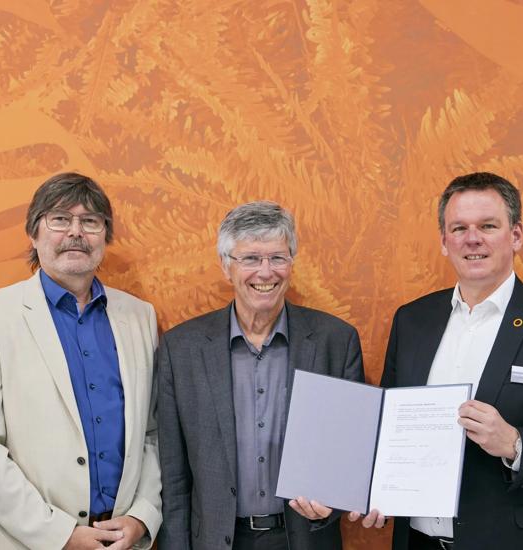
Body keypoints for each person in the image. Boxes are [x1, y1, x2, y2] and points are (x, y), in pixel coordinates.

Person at [371, 172, 523, 549]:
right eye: (459, 228)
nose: (472, 239)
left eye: (488, 225)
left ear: (516, 235)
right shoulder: (412, 320)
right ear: (443, 241)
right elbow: (387, 427)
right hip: (416, 541)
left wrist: (517, 444)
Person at [0, 172, 161, 549]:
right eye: (60, 219)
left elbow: (152, 433)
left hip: (122, 542)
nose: (76, 232)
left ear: (106, 235)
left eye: (91, 221)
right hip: (29, 541)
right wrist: (60, 534)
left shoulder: (140, 317)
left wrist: (141, 516)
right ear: (33, 234)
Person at [155, 201, 365, 550]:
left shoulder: (336, 341)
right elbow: (174, 478)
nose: (265, 272)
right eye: (250, 258)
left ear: (291, 262)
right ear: (226, 267)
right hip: (217, 541)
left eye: (277, 258)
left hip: (306, 539)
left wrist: (332, 506)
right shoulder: (182, 349)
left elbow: (352, 452)